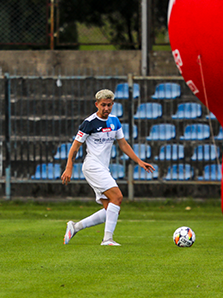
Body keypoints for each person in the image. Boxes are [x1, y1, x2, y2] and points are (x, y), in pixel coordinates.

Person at [61, 89, 155, 246]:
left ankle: (75, 227)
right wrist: (69, 166)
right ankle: (107, 239)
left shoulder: (114, 122)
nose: (106, 108)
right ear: (97, 104)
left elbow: (123, 144)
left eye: (109, 105)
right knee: (117, 197)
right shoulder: (89, 123)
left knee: (110, 208)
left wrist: (138, 161)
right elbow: (75, 146)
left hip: (103, 168)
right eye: (103, 105)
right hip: (92, 166)